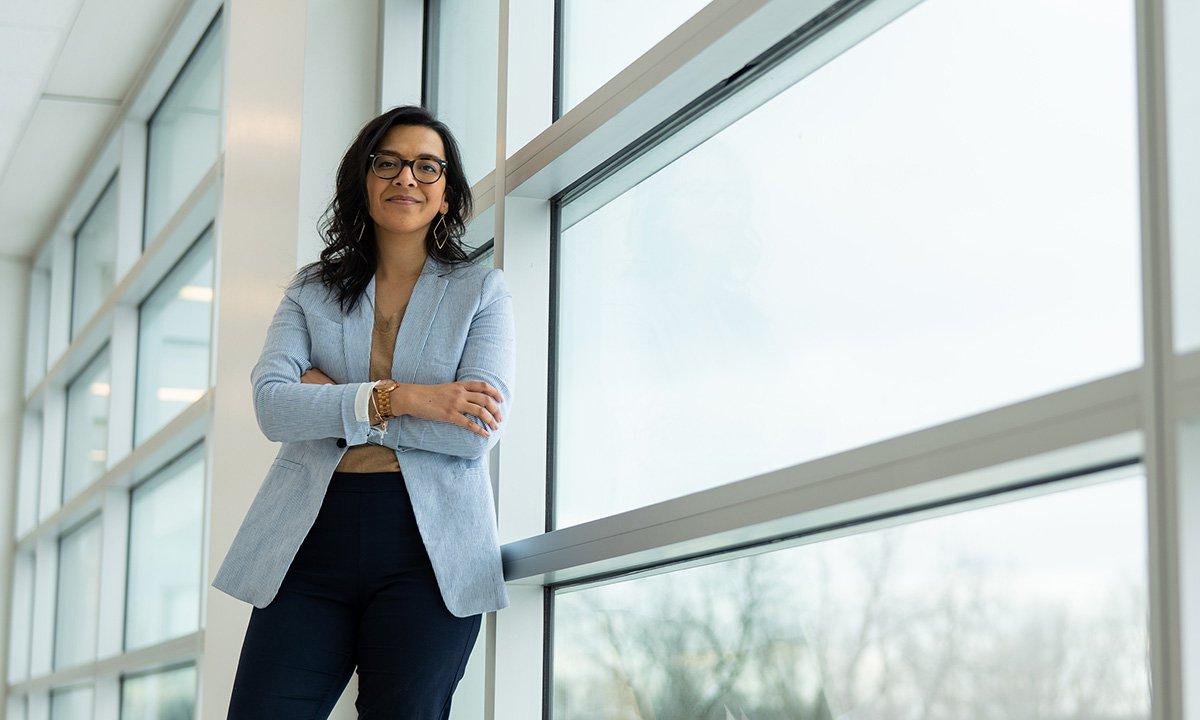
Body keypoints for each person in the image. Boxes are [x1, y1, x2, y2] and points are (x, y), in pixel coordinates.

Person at [213, 104, 515, 719]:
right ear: (364, 178)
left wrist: (330, 398)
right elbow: (274, 407)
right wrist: (410, 397)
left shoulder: (481, 291)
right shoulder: (310, 291)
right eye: (390, 163)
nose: (407, 178)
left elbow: (472, 435)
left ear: (446, 191)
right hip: (309, 541)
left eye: (427, 167)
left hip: (429, 553)